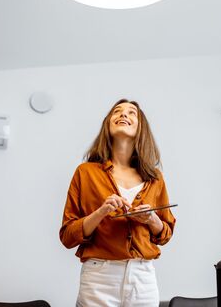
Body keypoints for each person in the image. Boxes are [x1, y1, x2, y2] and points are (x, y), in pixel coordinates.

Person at [60, 99, 176, 307]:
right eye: (117, 112)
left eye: (132, 113)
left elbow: (165, 234)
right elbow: (68, 236)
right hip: (99, 278)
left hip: (143, 278)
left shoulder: (155, 177)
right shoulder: (85, 172)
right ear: (108, 124)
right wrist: (101, 212)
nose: (123, 115)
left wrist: (152, 219)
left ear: (142, 127)